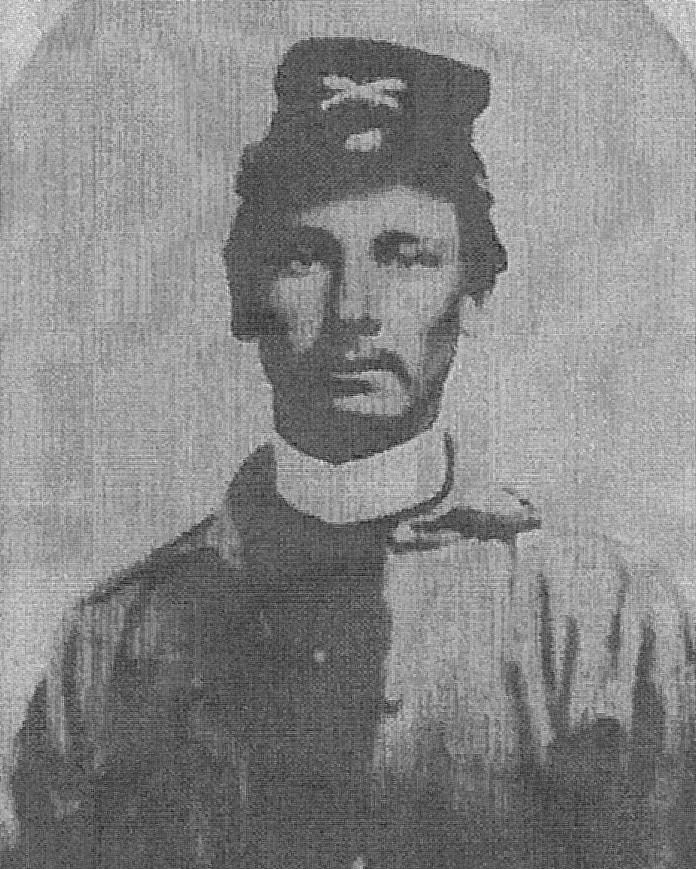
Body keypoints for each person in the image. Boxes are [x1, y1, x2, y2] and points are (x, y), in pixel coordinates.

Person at [7, 37, 695, 869]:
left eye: (405, 257)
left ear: (473, 294)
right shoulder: (113, 643)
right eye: (306, 257)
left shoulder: (608, 628)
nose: (355, 310)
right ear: (247, 296)